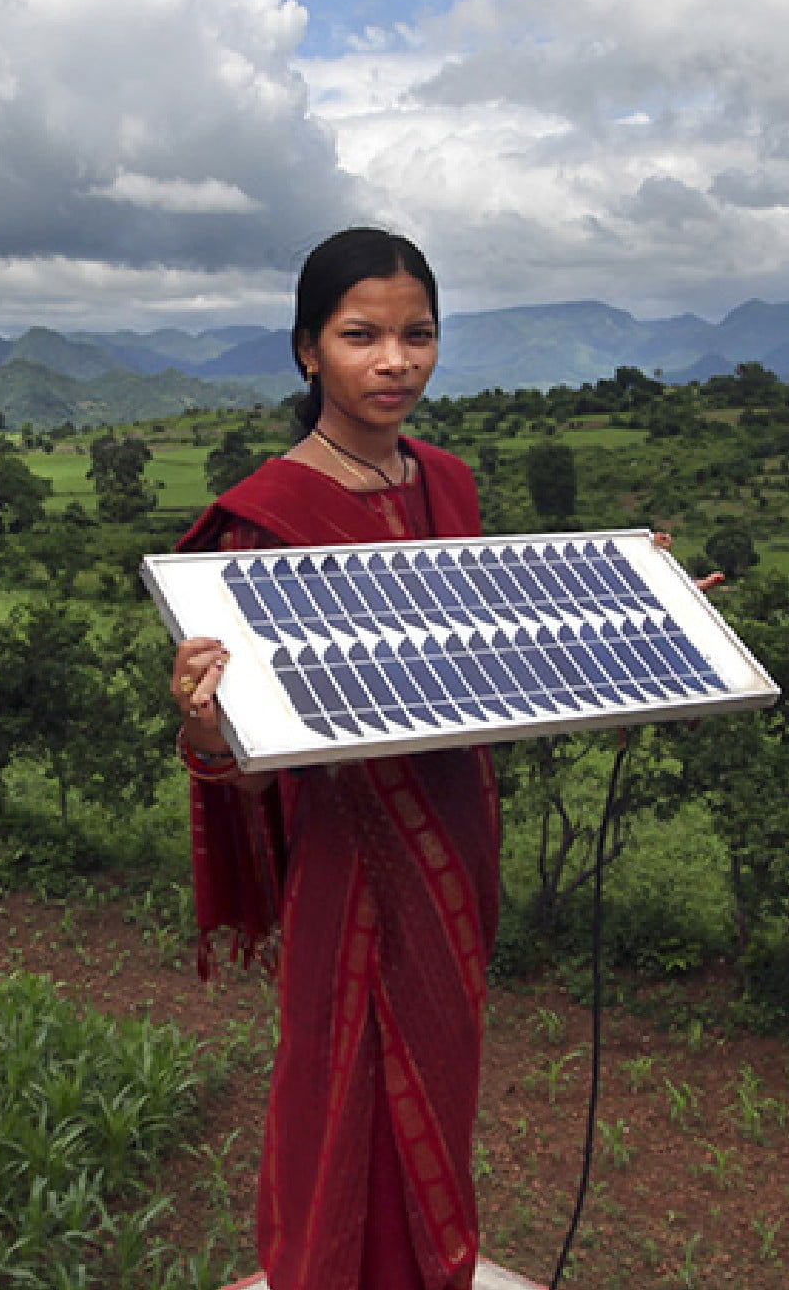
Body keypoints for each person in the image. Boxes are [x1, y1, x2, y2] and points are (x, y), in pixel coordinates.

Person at [170, 227, 502, 1290]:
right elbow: (256, 764)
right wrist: (210, 724)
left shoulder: (449, 485)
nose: (395, 361)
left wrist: (651, 622)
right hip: (352, 859)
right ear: (309, 348)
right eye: (362, 335)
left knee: (445, 1075)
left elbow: (489, 662)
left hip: (457, 832)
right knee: (338, 1078)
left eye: (419, 334)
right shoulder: (263, 520)